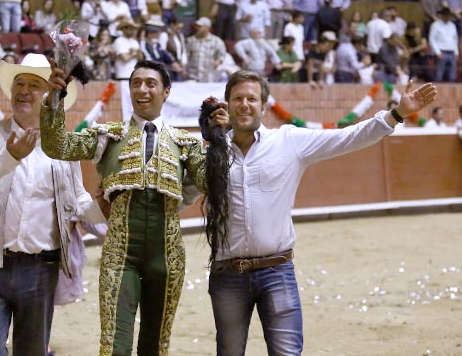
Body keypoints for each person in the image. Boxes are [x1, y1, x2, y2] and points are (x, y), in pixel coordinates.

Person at [206, 69, 437, 356]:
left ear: (264, 106)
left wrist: (396, 114)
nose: (244, 104)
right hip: (228, 274)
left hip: (276, 270)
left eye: (252, 99)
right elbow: (187, 192)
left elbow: (347, 137)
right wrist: (207, 144)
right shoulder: (212, 152)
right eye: (237, 98)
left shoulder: (288, 141)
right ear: (226, 104)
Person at [41, 59, 229, 356]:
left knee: (155, 345)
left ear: (166, 91)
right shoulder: (108, 134)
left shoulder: (184, 142)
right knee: (114, 345)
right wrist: (54, 99)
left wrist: (216, 140)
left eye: (150, 83)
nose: (142, 90)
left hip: (166, 257)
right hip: (120, 254)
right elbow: (57, 147)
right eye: (136, 83)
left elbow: (212, 184)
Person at [0, 53, 106, 356]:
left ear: (51, 94)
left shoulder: (62, 146)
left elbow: (76, 199)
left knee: (32, 351)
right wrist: (8, 157)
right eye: (19, 83)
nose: (24, 91)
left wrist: (101, 208)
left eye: (34, 85)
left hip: (40, 268)